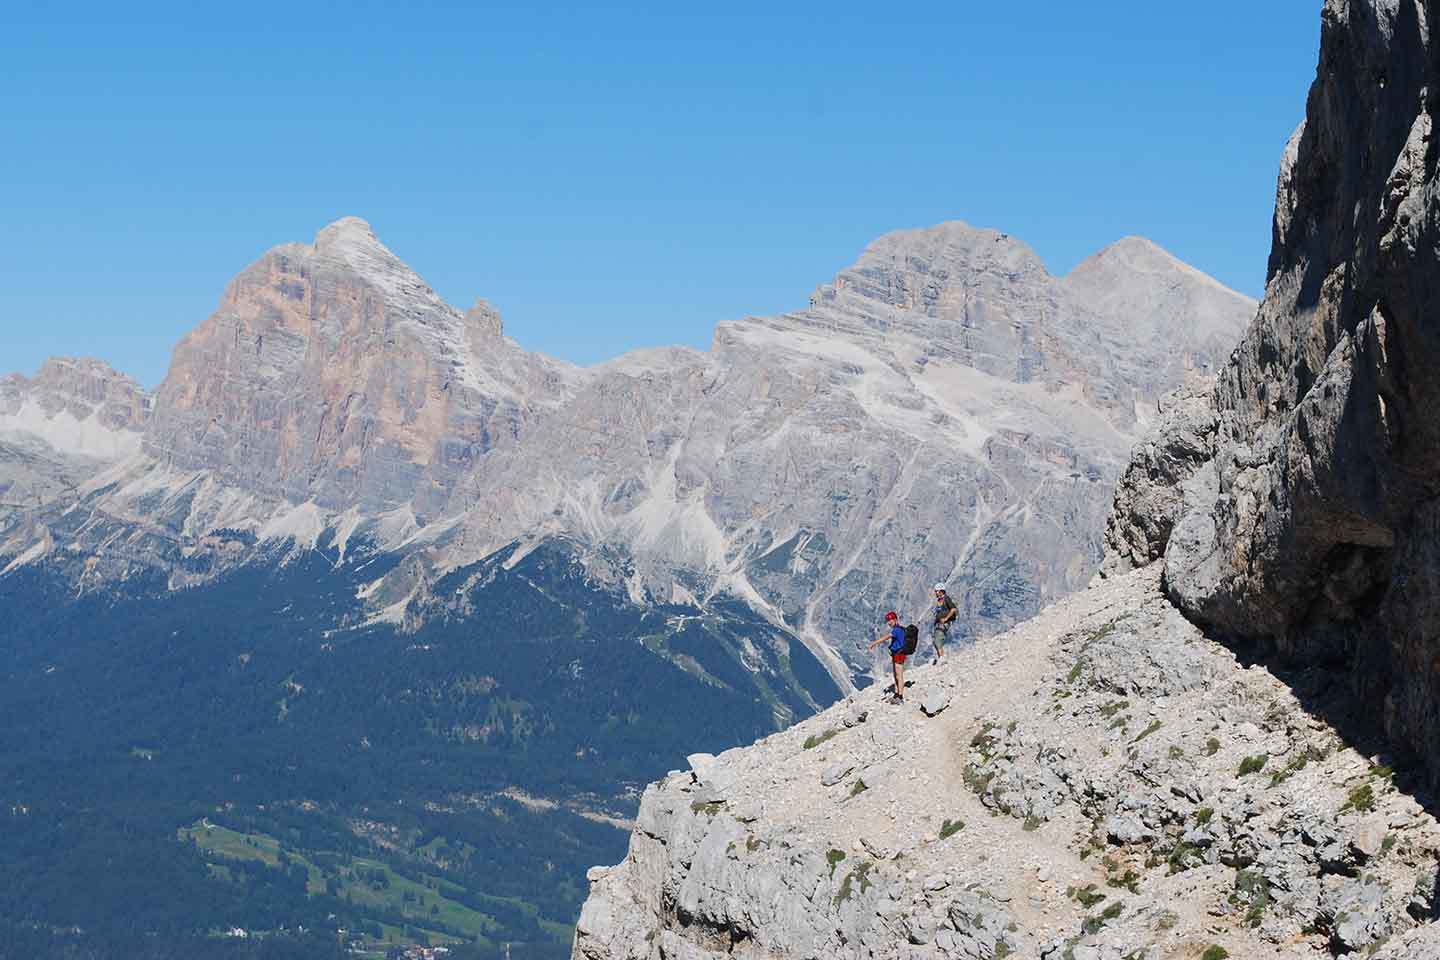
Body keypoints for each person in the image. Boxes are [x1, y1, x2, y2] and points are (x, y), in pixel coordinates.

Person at [868, 611, 908, 703]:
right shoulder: (899, 629)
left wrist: (874, 643)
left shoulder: (896, 630)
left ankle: (900, 696)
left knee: (899, 675)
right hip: (897, 654)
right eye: (888, 621)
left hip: (899, 654)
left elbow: (886, 637)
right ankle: (897, 693)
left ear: (895, 620)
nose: (889, 622)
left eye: (891, 620)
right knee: (896, 674)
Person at [932, 583, 957, 659]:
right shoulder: (939, 600)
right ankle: (941, 657)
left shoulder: (946, 599)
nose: (936, 593)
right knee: (936, 640)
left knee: (938, 640)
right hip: (939, 623)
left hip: (944, 623)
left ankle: (942, 658)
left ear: (941, 591)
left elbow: (953, 609)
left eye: (937, 591)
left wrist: (946, 618)